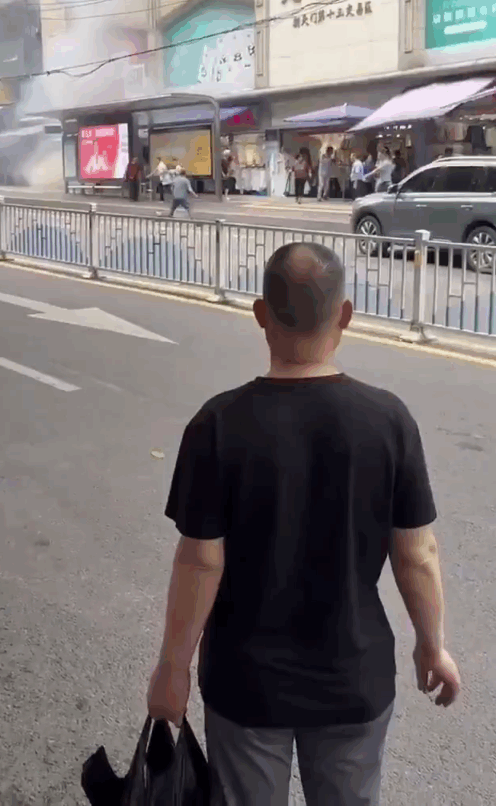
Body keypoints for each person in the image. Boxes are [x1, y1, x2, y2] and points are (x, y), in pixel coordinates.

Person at [148, 241, 461, 806]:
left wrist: (173, 668)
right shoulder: (389, 420)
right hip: (353, 679)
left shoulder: (218, 424)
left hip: (245, 685)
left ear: (260, 315)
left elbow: (200, 561)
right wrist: (432, 646)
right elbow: (417, 554)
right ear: (346, 315)